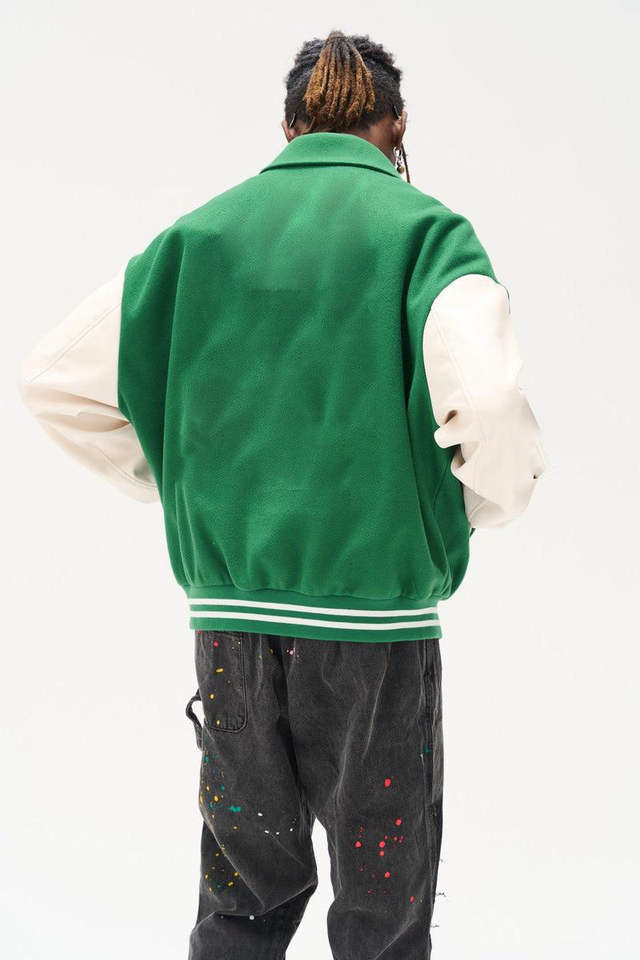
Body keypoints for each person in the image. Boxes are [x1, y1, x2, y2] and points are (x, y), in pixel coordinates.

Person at [17, 29, 546, 960]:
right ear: (398, 126)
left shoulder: (199, 237)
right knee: (382, 909)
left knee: (242, 904)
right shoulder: (426, 234)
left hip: (231, 631)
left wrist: (188, 488)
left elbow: (53, 381)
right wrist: (471, 510)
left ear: (289, 123)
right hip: (374, 634)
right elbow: (491, 401)